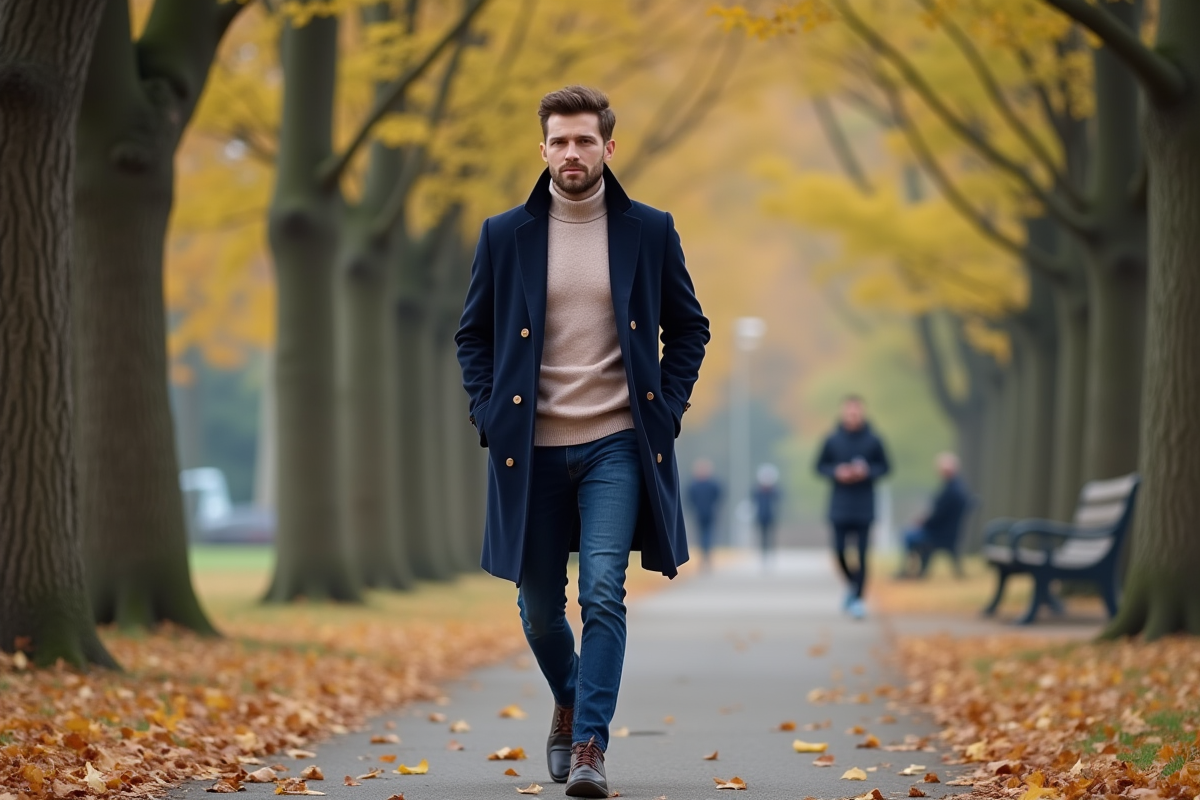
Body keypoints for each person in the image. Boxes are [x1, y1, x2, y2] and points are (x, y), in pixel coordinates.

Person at [455, 86, 709, 798]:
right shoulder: (504, 234)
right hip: (528, 449)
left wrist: (667, 407)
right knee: (539, 608)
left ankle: (591, 744)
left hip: (616, 442)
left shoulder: (650, 231)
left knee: (603, 590)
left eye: (584, 141)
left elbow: (689, 328)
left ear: (608, 148)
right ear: (543, 150)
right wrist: (487, 412)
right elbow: (472, 335)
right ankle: (569, 698)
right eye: (560, 141)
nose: (572, 153)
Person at [814, 395, 890, 620]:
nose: (853, 415)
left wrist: (867, 472)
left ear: (863, 413)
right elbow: (819, 466)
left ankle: (857, 599)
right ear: (843, 413)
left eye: (857, 412)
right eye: (849, 412)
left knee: (863, 554)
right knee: (839, 552)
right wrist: (837, 472)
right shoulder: (832, 439)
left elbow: (885, 467)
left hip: (864, 504)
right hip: (840, 504)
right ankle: (853, 586)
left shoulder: (874, 440)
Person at [898, 453, 970, 578]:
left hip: (940, 534)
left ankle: (908, 570)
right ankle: (914, 570)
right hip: (946, 532)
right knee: (911, 533)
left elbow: (938, 516)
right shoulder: (955, 487)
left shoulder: (951, 491)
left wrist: (923, 523)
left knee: (908, 535)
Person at [686, 459, 722, 568]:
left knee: (707, 535)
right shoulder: (695, 485)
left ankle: (706, 556)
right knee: (703, 536)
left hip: (708, 513)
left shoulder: (709, 484)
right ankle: (705, 556)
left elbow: (718, 496)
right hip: (699, 514)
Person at [752, 463, 781, 561]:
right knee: (762, 537)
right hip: (761, 516)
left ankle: (771, 553)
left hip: (771, 516)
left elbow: (779, 498)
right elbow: (753, 501)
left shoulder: (774, 490)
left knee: (771, 536)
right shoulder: (757, 490)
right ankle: (764, 554)